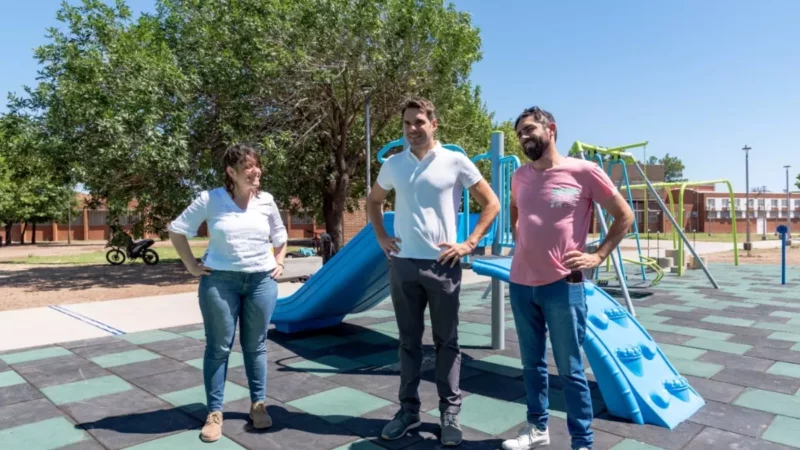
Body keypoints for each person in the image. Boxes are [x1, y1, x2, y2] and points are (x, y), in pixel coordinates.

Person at [367, 97, 500, 446]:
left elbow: (492, 203)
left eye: (419, 122)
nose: (413, 129)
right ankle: (408, 411)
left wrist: (470, 243)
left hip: (443, 265)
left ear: (434, 124)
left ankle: (449, 412)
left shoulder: (454, 161)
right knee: (408, 343)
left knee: (447, 342)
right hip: (403, 265)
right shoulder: (394, 164)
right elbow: (374, 200)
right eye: (407, 123)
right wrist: (381, 236)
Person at [501, 107, 634, 450]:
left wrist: (598, 255)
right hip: (521, 283)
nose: (524, 137)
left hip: (563, 285)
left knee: (570, 369)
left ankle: (582, 442)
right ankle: (537, 428)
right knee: (531, 364)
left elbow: (624, 216)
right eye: (519, 134)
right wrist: (518, 231)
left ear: (551, 129)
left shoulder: (584, 172)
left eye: (529, 129)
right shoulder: (520, 176)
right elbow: (515, 207)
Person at [167, 143, 288, 443]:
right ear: (231, 172)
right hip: (219, 282)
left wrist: (280, 261)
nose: (255, 171)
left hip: (261, 282)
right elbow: (176, 230)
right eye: (248, 167)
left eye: (257, 165)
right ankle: (214, 412)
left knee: (255, 346)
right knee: (219, 348)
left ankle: (258, 404)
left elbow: (280, 235)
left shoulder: (267, 201)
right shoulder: (210, 199)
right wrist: (191, 265)